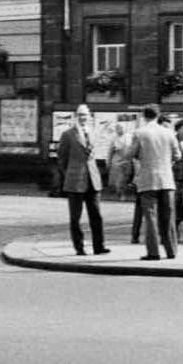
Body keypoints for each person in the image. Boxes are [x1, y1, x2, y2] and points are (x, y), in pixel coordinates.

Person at [58, 104, 110, 256]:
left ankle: (99, 246)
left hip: (93, 180)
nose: (83, 118)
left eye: (85, 115)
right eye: (80, 115)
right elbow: (62, 158)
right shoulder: (68, 134)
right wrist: (69, 173)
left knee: (96, 215)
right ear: (75, 116)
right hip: (75, 180)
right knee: (75, 217)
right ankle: (79, 247)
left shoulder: (93, 133)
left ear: (89, 117)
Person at [130, 104, 179, 261]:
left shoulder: (139, 133)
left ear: (144, 116)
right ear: (158, 116)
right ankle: (171, 251)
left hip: (148, 179)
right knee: (168, 216)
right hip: (167, 180)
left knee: (150, 216)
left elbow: (131, 153)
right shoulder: (168, 133)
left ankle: (153, 252)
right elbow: (177, 155)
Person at [105, 122, 134, 202]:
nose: (120, 130)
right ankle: (121, 194)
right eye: (118, 128)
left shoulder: (130, 137)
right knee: (120, 179)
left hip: (128, 161)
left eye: (121, 128)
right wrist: (108, 161)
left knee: (126, 178)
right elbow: (110, 152)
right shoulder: (114, 139)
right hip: (117, 162)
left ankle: (122, 192)